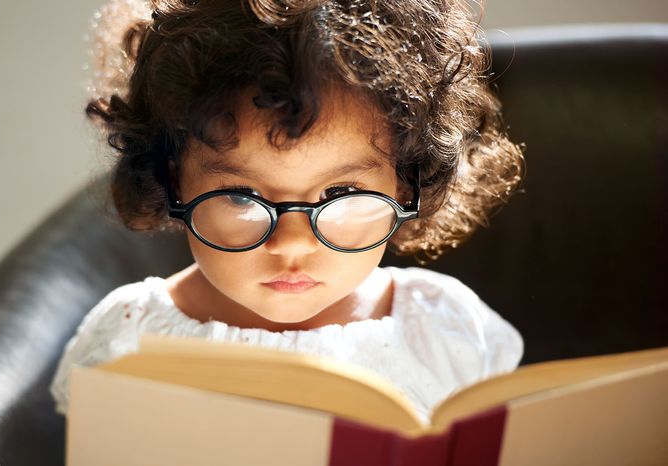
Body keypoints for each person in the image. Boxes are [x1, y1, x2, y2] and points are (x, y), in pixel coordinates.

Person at [50, 0, 525, 423]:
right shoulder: (130, 340)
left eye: (340, 194)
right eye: (241, 196)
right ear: (172, 178)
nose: (293, 242)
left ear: (406, 183)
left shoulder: (445, 328)